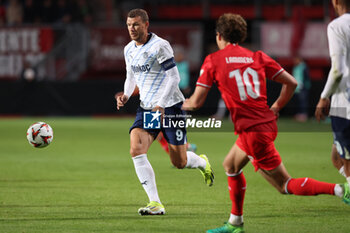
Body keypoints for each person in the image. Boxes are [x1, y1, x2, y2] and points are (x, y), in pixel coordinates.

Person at [182, 13, 349, 233]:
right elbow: (292, 82)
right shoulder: (257, 57)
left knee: (284, 185)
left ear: (219, 36)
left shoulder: (214, 60)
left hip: (253, 132)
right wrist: (277, 107)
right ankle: (235, 223)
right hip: (264, 125)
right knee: (230, 165)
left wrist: (171, 106)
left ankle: (342, 190)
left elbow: (195, 103)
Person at [116, 9, 214, 216]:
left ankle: (202, 161)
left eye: (136, 24)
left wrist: (161, 104)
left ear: (146, 25)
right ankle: (155, 203)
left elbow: (174, 78)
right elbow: (130, 76)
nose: (132, 29)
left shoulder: (160, 46)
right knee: (136, 149)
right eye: (128, 25)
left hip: (170, 107)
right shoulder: (128, 49)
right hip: (147, 109)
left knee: (179, 162)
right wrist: (125, 95)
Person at [315, 0, 350, 195]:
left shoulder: (337, 26)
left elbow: (338, 69)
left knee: (341, 158)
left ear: (335, 2)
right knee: (337, 157)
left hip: (343, 102)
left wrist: (323, 97)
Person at [293, 56, 311, 122]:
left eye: (296, 60)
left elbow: (306, 77)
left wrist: (306, 86)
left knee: (303, 101)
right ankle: (300, 114)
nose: (295, 61)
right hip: (297, 88)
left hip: (303, 87)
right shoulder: (295, 67)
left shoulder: (304, 67)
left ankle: (304, 114)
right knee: (298, 102)